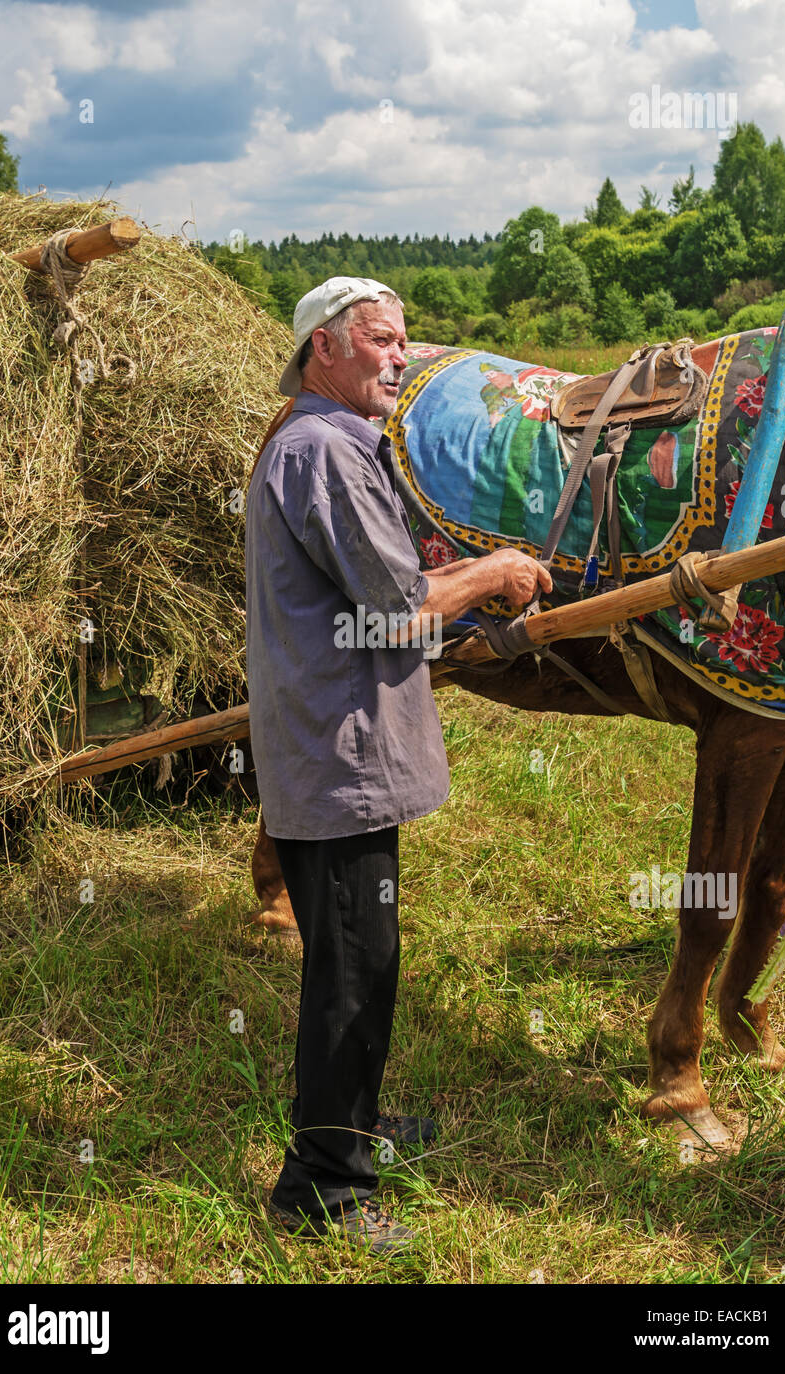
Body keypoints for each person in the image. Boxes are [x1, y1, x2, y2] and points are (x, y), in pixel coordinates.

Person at [245, 276, 551, 1253]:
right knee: (350, 972)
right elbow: (393, 611)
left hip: (337, 745)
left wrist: (470, 573)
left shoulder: (317, 440)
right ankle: (323, 1192)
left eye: (405, 341)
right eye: (379, 340)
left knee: (362, 960)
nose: (399, 358)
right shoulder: (327, 452)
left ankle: (356, 1124)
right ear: (322, 351)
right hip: (340, 752)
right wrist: (492, 576)